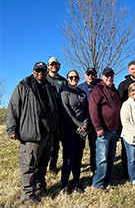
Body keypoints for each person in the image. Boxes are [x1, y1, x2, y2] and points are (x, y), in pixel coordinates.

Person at [6, 62, 59, 205]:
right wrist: (12, 129)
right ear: (34, 71)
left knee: (43, 163)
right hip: (31, 133)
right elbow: (12, 108)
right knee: (28, 164)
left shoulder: (50, 86)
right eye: (38, 70)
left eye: (43, 70)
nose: (41, 73)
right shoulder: (24, 86)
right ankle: (27, 195)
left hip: (48, 132)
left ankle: (41, 187)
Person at [89, 68, 121, 191]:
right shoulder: (98, 90)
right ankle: (98, 183)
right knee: (102, 158)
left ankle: (107, 181)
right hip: (103, 130)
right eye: (107, 76)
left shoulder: (115, 91)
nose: (109, 78)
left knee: (111, 157)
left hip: (113, 130)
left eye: (111, 76)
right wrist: (98, 127)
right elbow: (93, 110)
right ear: (102, 77)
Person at [60, 70, 89, 193]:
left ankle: (76, 183)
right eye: (71, 77)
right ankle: (64, 185)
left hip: (81, 130)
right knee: (68, 158)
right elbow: (66, 111)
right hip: (69, 129)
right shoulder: (64, 92)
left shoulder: (82, 93)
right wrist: (78, 124)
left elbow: (87, 110)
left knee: (78, 157)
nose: (73, 79)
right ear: (67, 79)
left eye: (76, 77)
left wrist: (85, 123)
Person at [47, 57, 67, 173]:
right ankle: (44, 166)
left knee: (57, 145)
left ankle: (53, 167)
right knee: (47, 144)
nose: (54, 66)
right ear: (48, 66)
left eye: (56, 64)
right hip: (49, 117)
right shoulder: (44, 79)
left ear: (59, 66)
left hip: (61, 117)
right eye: (52, 64)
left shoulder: (63, 81)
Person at [78, 67, 100, 176]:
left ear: (96, 75)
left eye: (93, 74)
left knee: (94, 147)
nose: (90, 76)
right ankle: (77, 169)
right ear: (85, 75)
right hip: (82, 124)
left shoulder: (99, 86)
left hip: (94, 124)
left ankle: (93, 168)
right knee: (79, 147)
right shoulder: (80, 87)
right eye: (88, 74)